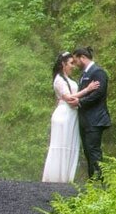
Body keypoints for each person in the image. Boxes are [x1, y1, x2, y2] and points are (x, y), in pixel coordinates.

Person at [41, 51, 99, 183]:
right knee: (61, 144)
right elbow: (68, 98)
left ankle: (65, 177)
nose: (73, 66)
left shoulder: (68, 79)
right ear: (63, 64)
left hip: (71, 114)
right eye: (71, 63)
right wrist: (88, 90)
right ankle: (56, 178)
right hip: (64, 115)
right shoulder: (59, 80)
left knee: (69, 144)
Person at [72, 47, 111, 181]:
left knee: (93, 150)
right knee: (88, 151)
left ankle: (100, 181)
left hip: (95, 119)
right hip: (85, 120)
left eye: (76, 60)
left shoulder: (98, 72)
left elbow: (98, 94)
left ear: (83, 57)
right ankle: (92, 179)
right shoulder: (84, 74)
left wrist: (80, 101)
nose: (75, 64)